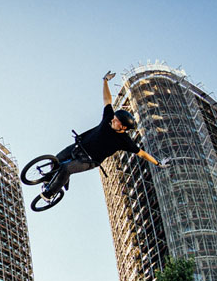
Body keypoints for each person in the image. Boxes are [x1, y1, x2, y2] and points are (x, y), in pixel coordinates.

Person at [39, 71, 166, 202]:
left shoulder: (124, 141)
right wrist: (105, 81)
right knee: (57, 159)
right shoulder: (108, 117)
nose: (113, 120)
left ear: (123, 127)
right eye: (114, 117)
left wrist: (158, 163)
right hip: (80, 146)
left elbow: (142, 154)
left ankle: (50, 194)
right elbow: (107, 100)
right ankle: (51, 179)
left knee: (66, 168)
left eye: (116, 121)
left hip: (89, 160)